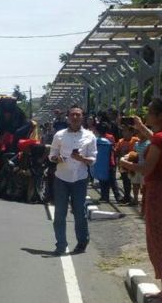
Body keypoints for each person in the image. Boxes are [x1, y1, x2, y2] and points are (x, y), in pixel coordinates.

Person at [119, 99, 162, 302]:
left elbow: (146, 169)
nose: (147, 116)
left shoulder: (158, 140)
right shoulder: (159, 138)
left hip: (157, 193)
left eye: (150, 113)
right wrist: (141, 127)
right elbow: (156, 139)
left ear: (158, 116)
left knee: (157, 238)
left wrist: (125, 163)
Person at [48, 105, 97, 256]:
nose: (75, 117)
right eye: (72, 115)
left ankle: (82, 242)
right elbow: (52, 155)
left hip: (80, 179)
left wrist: (82, 158)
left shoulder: (90, 136)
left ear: (82, 117)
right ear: (68, 117)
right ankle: (61, 245)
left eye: (78, 115)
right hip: (61, 178)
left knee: (79, 212)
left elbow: (93, 159)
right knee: (60, 213)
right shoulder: (60, 135)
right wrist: (57, 158)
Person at [93, 122, 123, 203]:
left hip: (108, 162)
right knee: (105, 180)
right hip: (107, 162)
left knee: (110, 180)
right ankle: (105, 196)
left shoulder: (104, 138)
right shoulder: (105, 138)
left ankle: (115, 196)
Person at [116, 125, 139, 204]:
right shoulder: (120, 141)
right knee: (125, 181)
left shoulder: (136, 140)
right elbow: (117, 151)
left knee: (135, 182)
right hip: (123, 165)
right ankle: (127, 196)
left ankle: (134, 197)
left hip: (133, 164)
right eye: (123, 131)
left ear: (131, 132)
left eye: (126, 131)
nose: (124, 133)